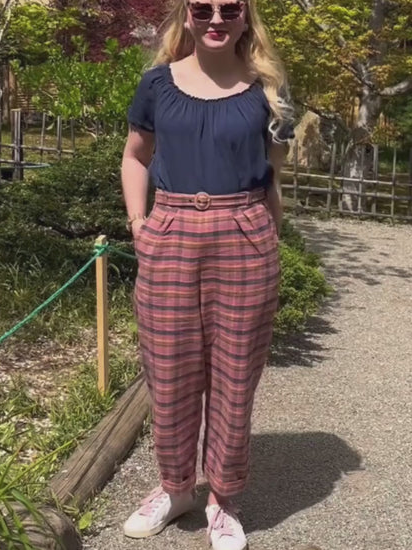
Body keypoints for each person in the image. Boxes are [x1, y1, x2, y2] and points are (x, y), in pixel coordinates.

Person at [120, 1, 294, 548]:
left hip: (243, 233)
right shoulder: (157, 85)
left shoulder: (267, 93)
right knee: (168, 372)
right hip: (170, 230)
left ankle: (222, 498)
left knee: (235, 376)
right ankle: (176, 489)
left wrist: (268, 237)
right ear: (187, 15)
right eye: (203, 7)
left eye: (229, 8)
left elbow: (273, 179)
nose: (216, 18)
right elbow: (135, 157)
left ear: (246, 17)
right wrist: (139, 224)